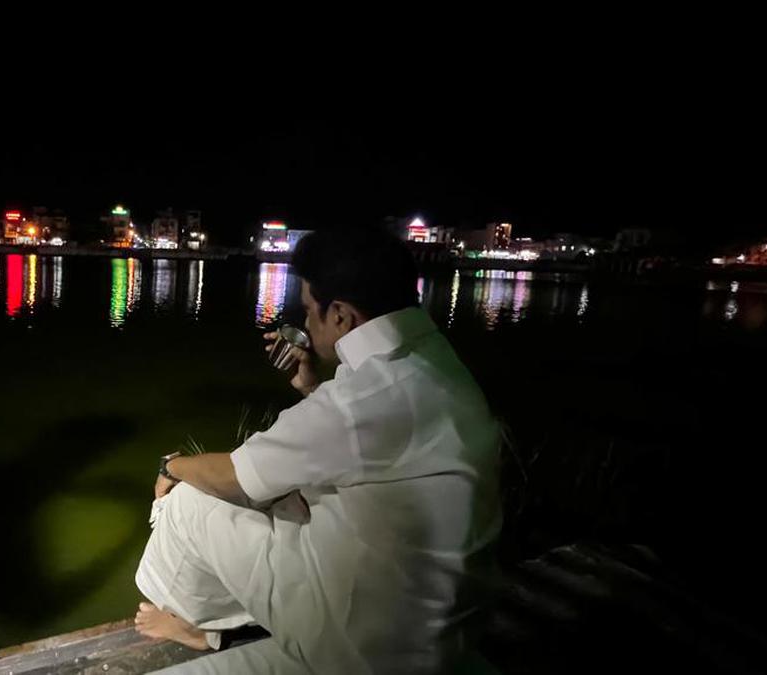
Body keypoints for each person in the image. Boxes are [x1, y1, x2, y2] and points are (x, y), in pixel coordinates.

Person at [133, 227, 502, 673]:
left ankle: (192, 621)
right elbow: (368, 439)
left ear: (341, 316)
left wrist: (172, 466)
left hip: (361, 645)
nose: (305, 324)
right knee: (288, 502)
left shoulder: (359, 400)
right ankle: (212, 627)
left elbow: (236, 477)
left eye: (310, 311)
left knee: (187, 501)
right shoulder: (436, 360)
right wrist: (311, 387)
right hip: (438, 631)